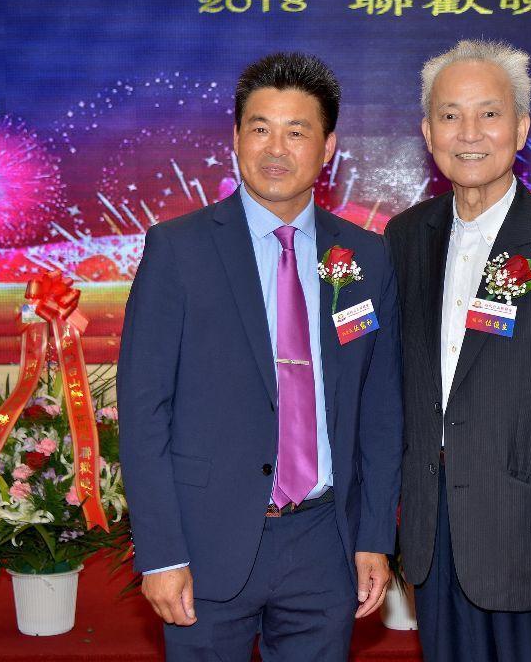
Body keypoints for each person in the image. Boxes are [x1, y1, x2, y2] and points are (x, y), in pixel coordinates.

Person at [117, 52, 403, 661]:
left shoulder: (365, 257)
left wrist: (374, 536)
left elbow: (380, 410)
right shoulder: (179, 249)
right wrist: (161, 553)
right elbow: (143, 413)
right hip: (205, 541)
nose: (276, 148)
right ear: (236, 137)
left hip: (325, 543)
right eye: (260, 128)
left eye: (296, 131)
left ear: (328, 148)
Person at [384, 39, 531, 662]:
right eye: (450, 115)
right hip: (437, 536)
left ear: (520, 128)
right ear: (427, 132)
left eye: (489, 114)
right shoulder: (404, 238)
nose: (469, 133)